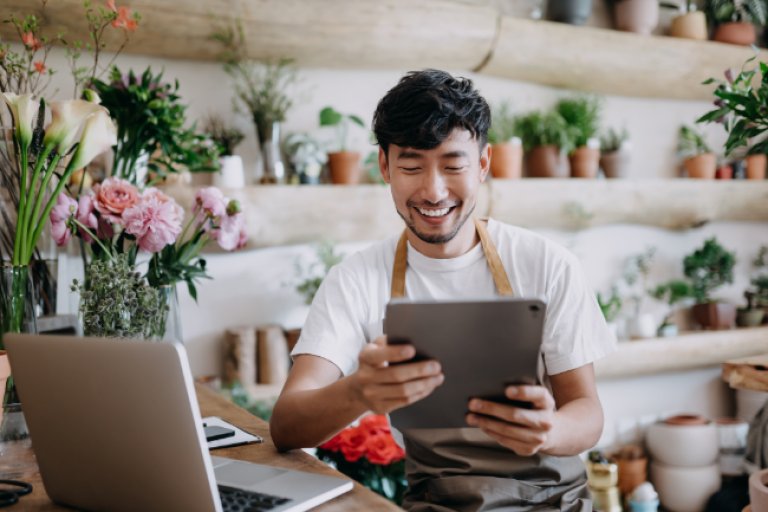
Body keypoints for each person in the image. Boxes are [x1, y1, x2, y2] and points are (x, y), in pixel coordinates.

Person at [270, 69, 617, 511]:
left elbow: (587, 412)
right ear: (384, 167)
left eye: (454, 166)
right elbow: (285, 425)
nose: (433, 191)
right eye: (411, 166)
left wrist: (550, 429)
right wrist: (359, 391)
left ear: (484, 164)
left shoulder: (547, 263)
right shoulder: (355, 279)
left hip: (554, 501)